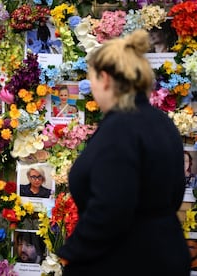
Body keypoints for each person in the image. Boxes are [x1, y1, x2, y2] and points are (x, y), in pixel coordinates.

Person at [56, 29, 190, 276]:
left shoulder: (120, 128)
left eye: (91, 78)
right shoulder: (162, 122)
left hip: (124, 260)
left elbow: (111, 207)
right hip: (165, 253)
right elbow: (174, 193)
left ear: (105, 78)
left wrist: (73, 253)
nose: (90, 86)